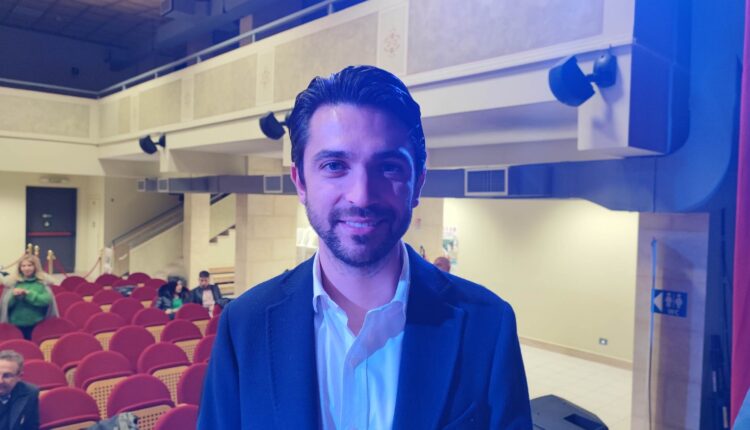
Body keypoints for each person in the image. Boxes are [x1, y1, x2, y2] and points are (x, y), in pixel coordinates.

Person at [199, 65, 531, 429]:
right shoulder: (244, 325)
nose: (361, 195)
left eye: (388, 167)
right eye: (334, 165)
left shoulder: (488, 324)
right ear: (301, 182)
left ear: (417, 183)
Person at [0, 255, 58, 340]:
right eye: (23, 266)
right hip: (15, 325)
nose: (26, 268)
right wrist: (14, 296)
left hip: (37, 325)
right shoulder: (13, 282)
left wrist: (28, 294)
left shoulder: (41, 282)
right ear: (20, 268)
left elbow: (46, 300)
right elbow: (5, 304)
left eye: (29, 265)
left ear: (35, 267)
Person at [0, 349, 39, 430]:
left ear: (19, 377)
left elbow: (31, 427)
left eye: (7, 376)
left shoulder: (30, 392)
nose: (0, 381)